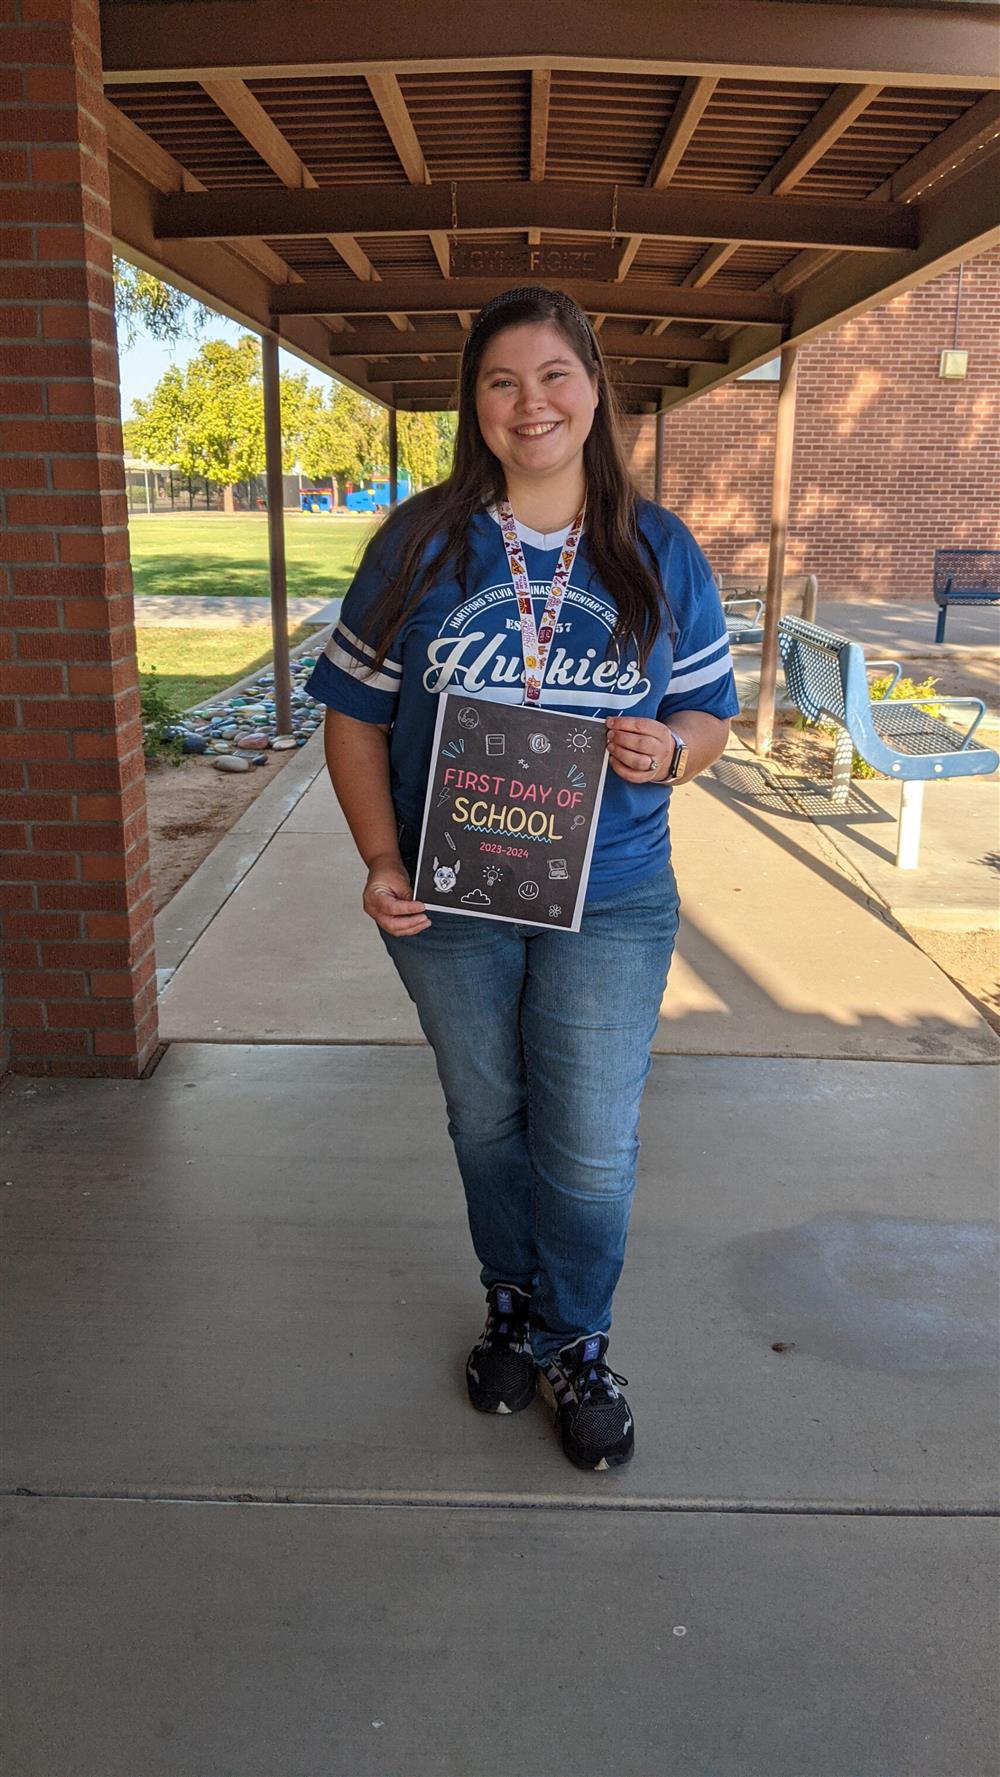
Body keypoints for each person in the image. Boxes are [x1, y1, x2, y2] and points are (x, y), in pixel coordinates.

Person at [306, 287, 738, 1472]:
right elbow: (351, 721)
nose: (529, 402)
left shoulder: (657, 548)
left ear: (595, 390)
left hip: (610, 892)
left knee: (588, 1140)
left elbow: (709, 715)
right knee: (487, 1116)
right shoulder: (419, 541)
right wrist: (381, 859)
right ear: (475, 404)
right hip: (449, 890)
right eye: (501, 380)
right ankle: (515, 1302)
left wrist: (675, 749)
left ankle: (575, 1339)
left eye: (553, 375)